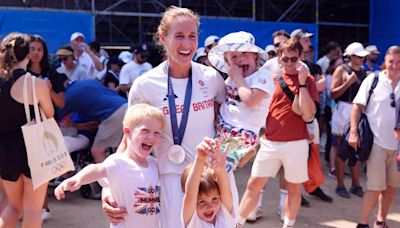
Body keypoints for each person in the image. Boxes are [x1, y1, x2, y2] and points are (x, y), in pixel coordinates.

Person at [101, 6, 226, 228]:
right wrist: (109, 187)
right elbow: (129, 139)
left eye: (192, 36)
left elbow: (225, 124)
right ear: (163, 38)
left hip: (209, 181)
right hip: (168, 179)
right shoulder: (145, 85)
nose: (186, 44)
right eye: (179, 36)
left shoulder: (211, 78)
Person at [237, 38, 318, 228]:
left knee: (293, 189)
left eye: (294, 59)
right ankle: (237, 224)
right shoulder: (270, 79)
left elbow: (308, 113)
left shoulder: (309, 80)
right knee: (253, 185)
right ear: (279, 58)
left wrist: (303, 83)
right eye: (286, 58)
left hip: (297, 143)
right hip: (270, 141)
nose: (290, 63)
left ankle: (288, 225)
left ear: (300, 58)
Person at [55, 103, 164, 228]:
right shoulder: (118, 162)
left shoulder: (155, 164)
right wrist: (77, 179)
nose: (151, 137)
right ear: (127, 132)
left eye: (157, 133)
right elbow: (97, 169)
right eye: (145, 131)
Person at [208, 31, 274, 214]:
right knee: (212, 174)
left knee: (216, 175)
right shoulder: (231, 78)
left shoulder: (262, 77)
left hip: (241, 133)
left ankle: (227, 215)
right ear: (227, 62)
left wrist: (237, 78)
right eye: (233, 57)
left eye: (245, 54)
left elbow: (251, 101)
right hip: (223, 130)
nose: (240, 59)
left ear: (255, 56)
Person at [0, 32, 54, 228]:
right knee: (32, 209)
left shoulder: (2, 82)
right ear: (28, 55)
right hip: (32, 147)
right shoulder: (35, 83)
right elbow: (49, 114)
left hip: (4, 150)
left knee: (14, 207)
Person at [353, 46, 400, 228]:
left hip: (397, 147)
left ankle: (381, 221)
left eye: (398, 62)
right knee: (374, 188)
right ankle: (363, 224)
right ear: (385, 63)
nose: (395, 66)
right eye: (391, 62)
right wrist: (354, 132)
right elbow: (357, 106)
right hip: (376, 144)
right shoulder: (373, 80)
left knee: (390, 188)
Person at [28, 34, 69, 222]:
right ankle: (28, 207)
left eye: (39, 49)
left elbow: (61, 103)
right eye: (32, 48)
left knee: (41, 171)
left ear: (44, 52)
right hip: (21, 127)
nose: (35, 53)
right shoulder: (18, 73)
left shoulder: (52, 73)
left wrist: (49, 90)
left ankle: (43, 208)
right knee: (25, 171)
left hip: (46, 128)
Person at [331, 42, 369, 199]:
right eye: (358, 56)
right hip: (344, 110)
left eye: (362, 56)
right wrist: (348, 82)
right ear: (351, 56)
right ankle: (340, 184)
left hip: (358, 112)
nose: (361, 59)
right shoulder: (342, 70)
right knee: (341, 148)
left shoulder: (364, 73)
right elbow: (333, 94)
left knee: (356, 150)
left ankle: (355, 184)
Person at [57, 79, 128, 163]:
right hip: (126, 106)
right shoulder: (89, 81)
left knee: (97, 151)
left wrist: (73, 125)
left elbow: (56, 117)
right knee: (125, 146)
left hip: (113, 114)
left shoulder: (68, 96)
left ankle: (108, 175)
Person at [181, 137, 235, 228]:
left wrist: (221, 169)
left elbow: (226, 192)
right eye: (202, 202)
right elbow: (190, 194)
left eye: (215, 199)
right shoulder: (193, 221)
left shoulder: (224, 215)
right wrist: (200, 159)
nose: (210, 206)